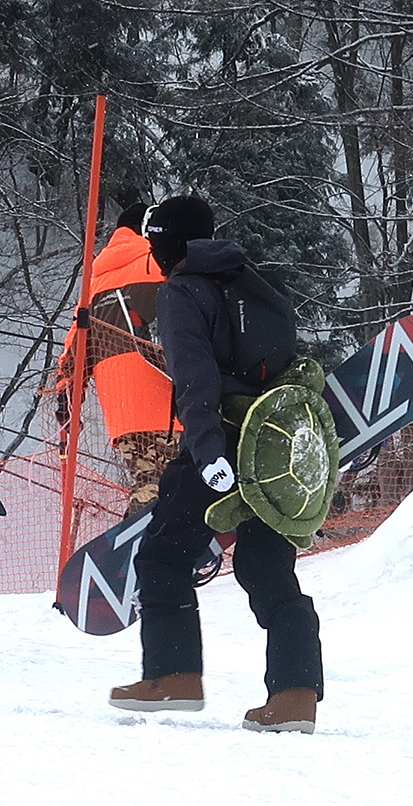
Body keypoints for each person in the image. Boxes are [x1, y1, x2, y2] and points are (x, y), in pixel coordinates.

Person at [108, 195, 324, 733]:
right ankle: (296, 695)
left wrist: (207, 453)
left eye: (156, 244)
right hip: (272, 444)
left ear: (165, 245)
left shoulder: (181, 291)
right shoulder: (250, 277)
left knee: (162, 555)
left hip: (221, 440)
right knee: (265, 566)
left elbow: (195, 378)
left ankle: (173, 677)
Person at [54, 201, 180, 515]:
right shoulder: (158, 264)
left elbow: (72, 355)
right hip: (164, 396)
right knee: (169, 487)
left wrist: (65, 400)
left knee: (147, 482)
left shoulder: (93, 284)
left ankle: (135, 548)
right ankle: (144, 549)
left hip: (120, 411)